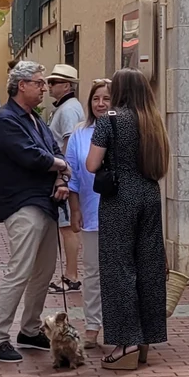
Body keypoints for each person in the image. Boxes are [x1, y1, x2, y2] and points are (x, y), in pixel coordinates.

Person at [0, 60, 69, 364]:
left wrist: (60, 172)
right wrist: (60, 166)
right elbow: (31, 156)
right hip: (22, 204)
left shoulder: (35, 118)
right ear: (22, 85)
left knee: (43, 272)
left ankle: (30, 330)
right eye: (39, 82)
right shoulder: (5, 119)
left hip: (45, 203)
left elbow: (54, 150)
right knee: (19, 271)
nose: (44, 87)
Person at [86, 68, 170, 370]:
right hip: (149, 194)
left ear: (119, 90)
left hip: (119, 199)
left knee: (118, 269)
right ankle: (146, 337)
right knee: (148, 266)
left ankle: (126, 342)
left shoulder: (110, 119)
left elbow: (92, 163)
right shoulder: (153, 120)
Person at [64, 78, 110, 350]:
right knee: (92, 272)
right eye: (96, 99)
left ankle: (118, 324)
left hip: (120, 213)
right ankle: (92, 325)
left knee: (118, 271)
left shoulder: (124, 130)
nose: (101, 104)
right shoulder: (79, 134)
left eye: (106, 99)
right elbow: (72, 174)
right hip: (91, 212)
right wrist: (75, 208)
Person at [46, 64, 85, 293]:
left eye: (54, 82)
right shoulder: (66, 107)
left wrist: (64, 176)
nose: (50, 86)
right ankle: (71, 274)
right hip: (66, 175)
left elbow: (69, 144)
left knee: (68, 227)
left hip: (65, 177)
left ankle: (71, 276)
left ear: (67, 85)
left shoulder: (68, 109)